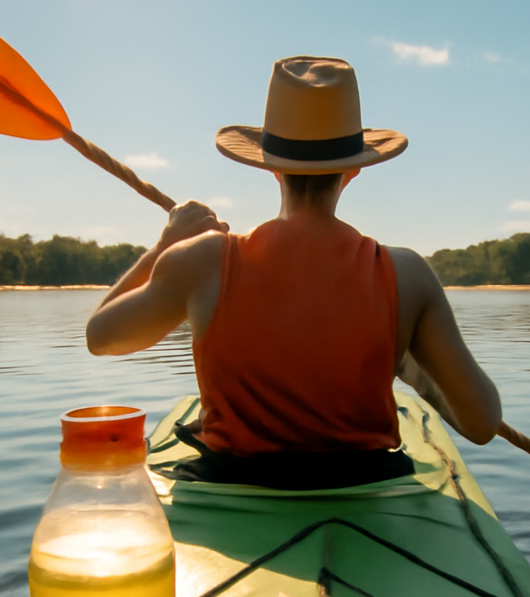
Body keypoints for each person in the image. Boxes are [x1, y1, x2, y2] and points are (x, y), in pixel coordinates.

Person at [86, 56, 500, 487]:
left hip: (231, 480)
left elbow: (101, 337)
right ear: (354, 169)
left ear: (270, 166)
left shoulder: (200, 260)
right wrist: (411, 364)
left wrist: (164, 245)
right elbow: (482, 423)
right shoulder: (407, 274)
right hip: (364, 483)